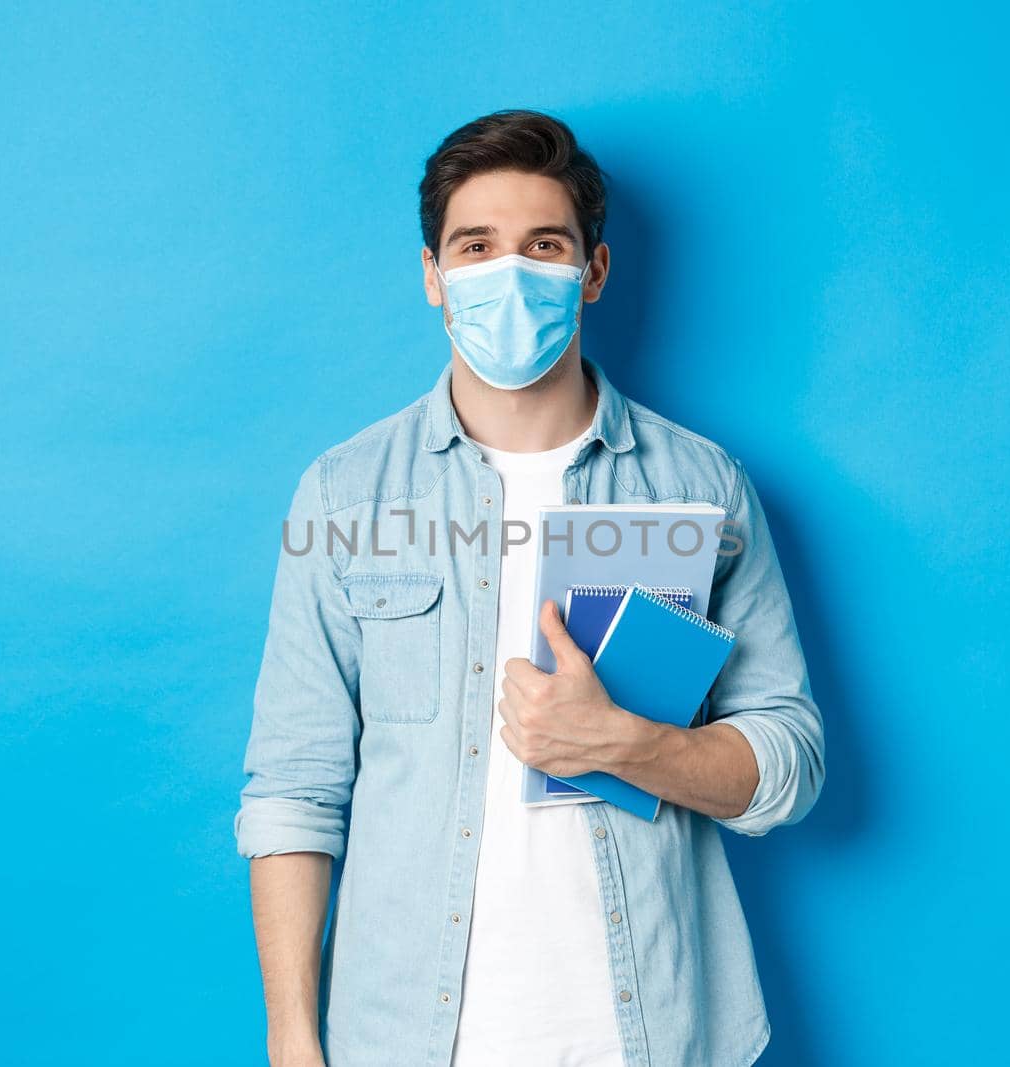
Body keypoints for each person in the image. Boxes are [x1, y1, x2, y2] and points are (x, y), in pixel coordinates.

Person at [234, 109, 825, 1067]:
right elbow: (295, 787)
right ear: (434, 277)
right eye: (476, 246)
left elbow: (788, 761)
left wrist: (630, 744)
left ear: (592, 270)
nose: (508, 272)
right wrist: (294, 1040)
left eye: (543, 244)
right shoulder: (346, 493)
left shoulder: (700, 487)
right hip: (403, 1039)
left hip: (653, 1031)